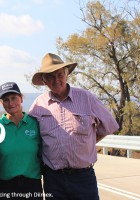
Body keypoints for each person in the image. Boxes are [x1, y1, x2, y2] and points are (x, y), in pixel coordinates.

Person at [29, 53, 119, 200]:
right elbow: (31, 136)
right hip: (53, 179)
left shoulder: (86, 97)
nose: (56, 80)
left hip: (83, 178)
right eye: (50, 76)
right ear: (44, 81)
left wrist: (87, 143)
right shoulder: (39, 104)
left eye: (59, 74)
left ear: (66, 74)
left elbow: (108, 125)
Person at [0, 82, 42, 200]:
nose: (11, 103)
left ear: (21, 98)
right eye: (6, 100)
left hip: (32, 185)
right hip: (3, 186)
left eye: (14, 98)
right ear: (1, 103)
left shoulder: (35, 123)